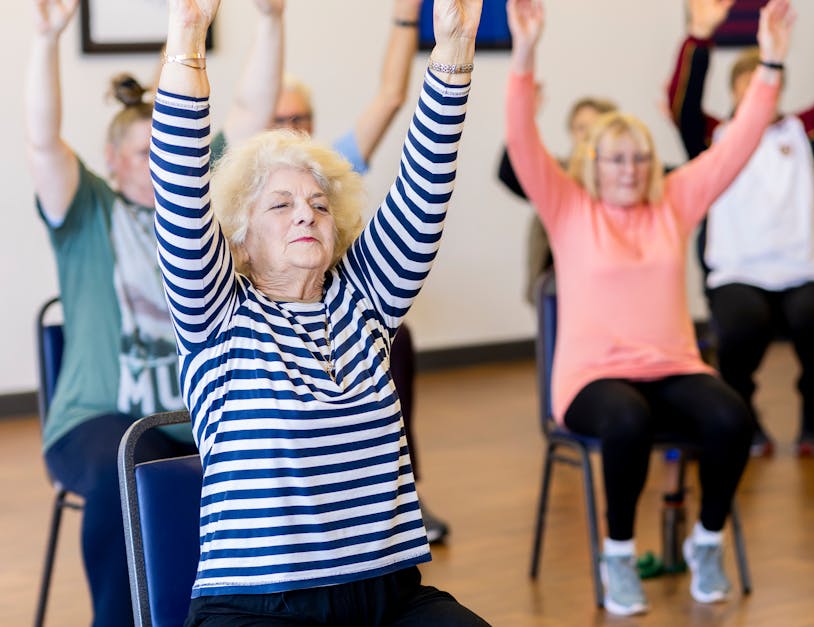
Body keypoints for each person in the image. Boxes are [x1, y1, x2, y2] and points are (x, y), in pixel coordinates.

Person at [150, 0, 489, 623]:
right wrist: (187, 39)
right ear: (238, 237)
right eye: (280, 205)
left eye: (318, 204)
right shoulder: (217, 317)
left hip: (389, 596)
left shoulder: (365, 300)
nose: (306, 212)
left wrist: (454, 54)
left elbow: (425, 185)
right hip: (258, 607)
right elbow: (177, 182)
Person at [505, 0, 793, 615]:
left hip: (670, 367)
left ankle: (707, 541)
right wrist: (524, 53)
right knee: (627, 421)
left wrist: (769, 64)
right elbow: (522, 143)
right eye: (616, 158)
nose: (631, 169)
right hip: (591, 379)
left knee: (731, 417)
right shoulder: (569, 208)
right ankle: (618, 556)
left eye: (639, 157)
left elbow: (738, 143)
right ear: (592, 165)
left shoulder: (676, 201)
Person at [25, 0, 283, 623]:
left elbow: (252, 115)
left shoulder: (201, 210)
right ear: (112, 160)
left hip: (193, 415)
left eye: (161, 149)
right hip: (99, 420)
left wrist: (272, 20)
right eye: (142, 152)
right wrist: (45, 41)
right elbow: (41, 141)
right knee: (131, 465)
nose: (156, 162)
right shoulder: (86, 210)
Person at [266, 0, 451, 543]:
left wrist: (405, 14)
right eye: (279, 119)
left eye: (299, 117)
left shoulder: (327, 167)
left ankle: (402, 492)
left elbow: (392, 97)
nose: (291, 127)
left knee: (397, 342)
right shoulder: (243, 184)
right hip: (267, 349)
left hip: (339, 330)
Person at [667, 0, 814, 457]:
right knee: (739, 330)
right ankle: (744, 415)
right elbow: (684, 106)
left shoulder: (805, 135)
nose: (758, 95)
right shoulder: (713, 140)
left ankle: (813, 417)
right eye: (747, 87)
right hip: (738, 273)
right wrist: (698, 37)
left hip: (803, 271)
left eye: (766, 85)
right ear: (736, 94)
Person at [497, 94, 617, 304]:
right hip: (556, 287)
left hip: (610, 284)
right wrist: (523, 117)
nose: (587, 134)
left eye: (595, 126)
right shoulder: (556, 173)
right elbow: (509, 173)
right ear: (571, 132)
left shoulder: (627, 178)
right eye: (580, 127)